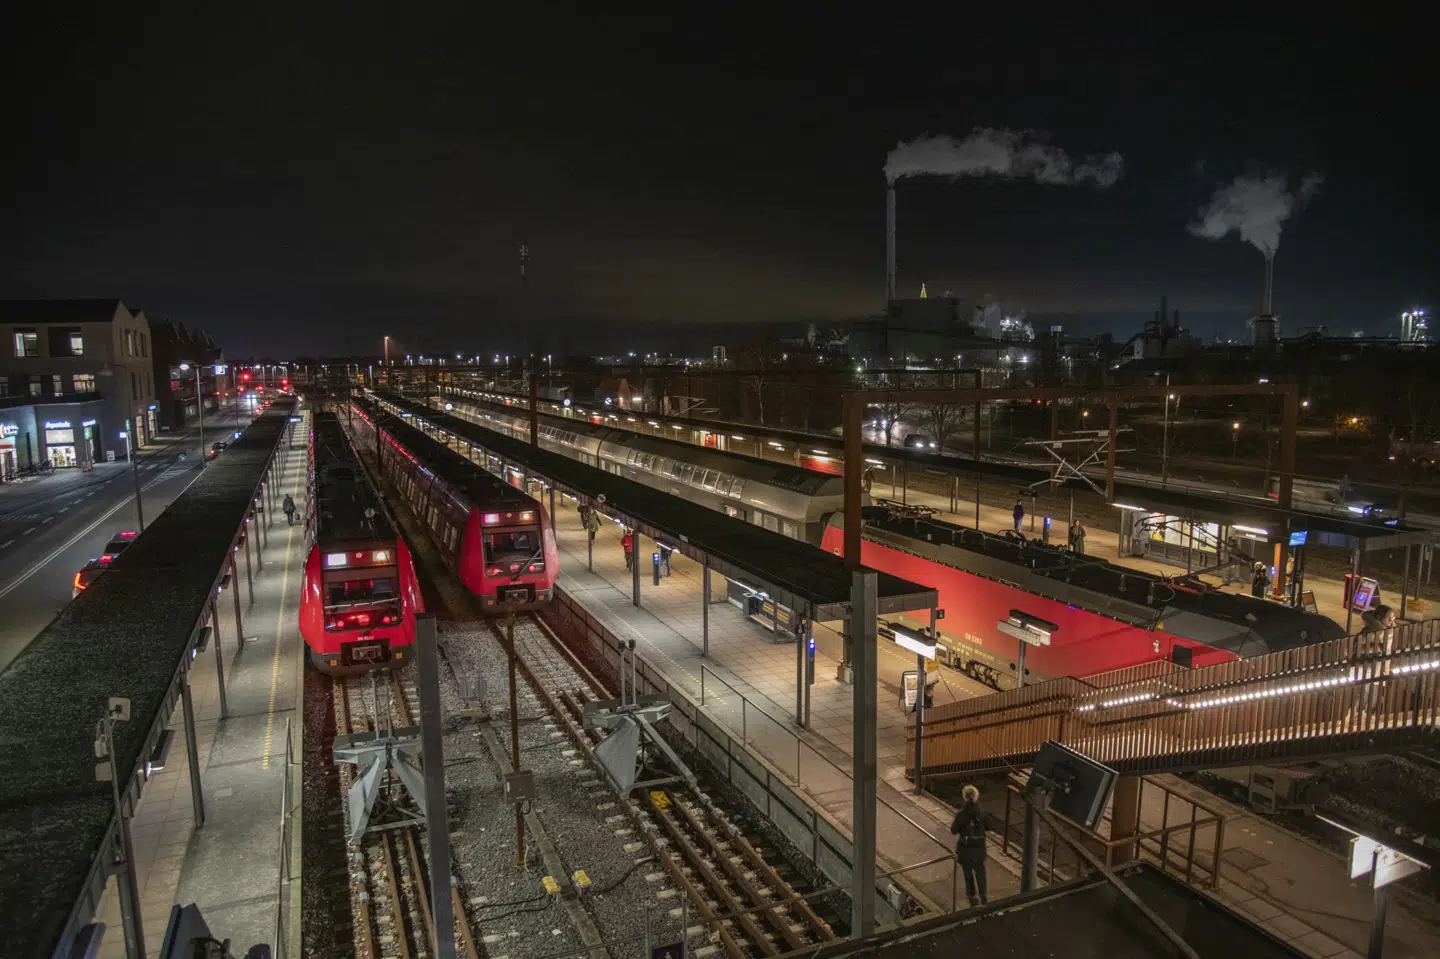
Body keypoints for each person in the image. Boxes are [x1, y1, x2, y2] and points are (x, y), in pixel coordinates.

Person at [950, 784, 988, 906]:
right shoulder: (981, 812)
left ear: (964, 797)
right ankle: (983, 895)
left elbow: (953, 830)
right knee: (980, 871)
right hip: (979, 848)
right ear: (976, 796)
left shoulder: (961, 814)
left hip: (965, 849)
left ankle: (971, 894)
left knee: (967, 872)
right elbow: (989, 826)